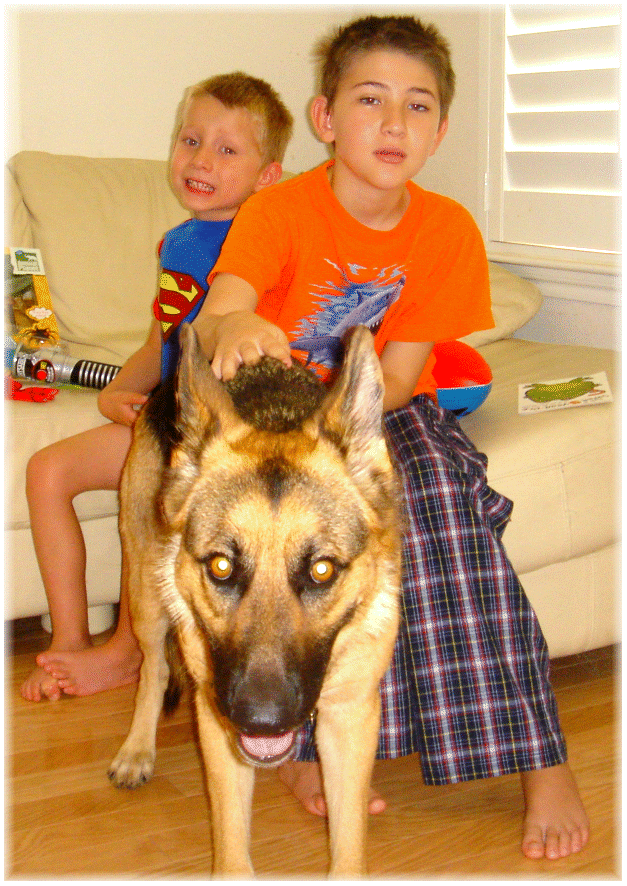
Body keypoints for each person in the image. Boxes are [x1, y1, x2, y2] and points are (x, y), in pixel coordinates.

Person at [190, 16, 590, 861]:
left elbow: (400, 380)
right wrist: (237, 324)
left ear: (439, 131)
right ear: (326, 118)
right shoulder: (276, 209)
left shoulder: (447, 230)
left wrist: (338, 419)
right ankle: (302, 741)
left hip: (372, 414)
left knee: (439, 497)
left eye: (418, 105)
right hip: (267, 421)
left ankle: (541, 758)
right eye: (370, 100)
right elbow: (220, 307)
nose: (394, 123)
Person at [21, 72, 292, 703]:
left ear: (267, 176)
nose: (201, 160)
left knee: (147, 492)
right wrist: (115, 391)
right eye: (190, 140)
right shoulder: (179, 244)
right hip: (165, 418)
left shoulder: (263, 243)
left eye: (227, 149)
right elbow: (160, 342)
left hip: (223, 432)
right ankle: (69, 640)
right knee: (47, 471)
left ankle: (128, 651)